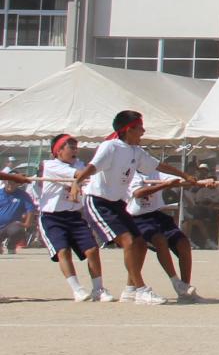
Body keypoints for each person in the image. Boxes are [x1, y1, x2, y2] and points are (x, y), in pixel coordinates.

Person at [71, 111, 210, 304]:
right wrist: (77, 182)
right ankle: (142, 290)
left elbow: (159, 166)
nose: (143, 131)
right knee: (128, 241)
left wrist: (185, 175)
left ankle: (130, 290)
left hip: (117, 203)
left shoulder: (136, 152)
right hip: (98, 202)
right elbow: (93, 167)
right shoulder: (110, 146)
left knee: (140, 243)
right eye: (140, 128)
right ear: (128, 130)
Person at [24, 135, 106, 301]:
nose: (75, 151)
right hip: (52, 217)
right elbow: (78, 175)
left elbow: (84, 176)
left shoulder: (79, 164)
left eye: (76, 148)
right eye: (71, 148)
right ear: (59, 150)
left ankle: (98, 289)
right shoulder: (51, 165)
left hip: (74, 215)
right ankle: (77, 289)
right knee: (63, 251)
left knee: (92, 249)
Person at [125, 168, 200, 301]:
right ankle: (175, 282)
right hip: (138, 218)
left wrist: (201, 182)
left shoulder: (156, 173)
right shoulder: (131, 174)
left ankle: (185, 288)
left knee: (183, 242)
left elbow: (177, 181)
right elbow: (138, 193)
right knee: (159, 240)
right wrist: (165, 185)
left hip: (157, 215)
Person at [0, 174, 33, 253]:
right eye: (8, 182)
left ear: (17, 184)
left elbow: (30, 209)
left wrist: (27, 224)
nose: (10, 185)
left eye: (13, 183)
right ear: (4, 182)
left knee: (18, 230)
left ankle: (11, 246)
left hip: (12, 226)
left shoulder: (23, 195)